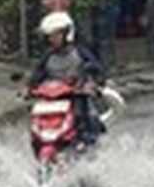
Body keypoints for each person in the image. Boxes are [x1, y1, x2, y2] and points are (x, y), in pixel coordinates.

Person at [26, 11, 107, 145]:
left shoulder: (80, 52)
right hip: (52, 100)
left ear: (67, 34)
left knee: (86, 117)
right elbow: (37, 75)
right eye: (50, 35)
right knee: (35, 119)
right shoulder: (47, 56)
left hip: (76, 96)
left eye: (56, 34)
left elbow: (97, 70)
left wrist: (93, 84)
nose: (53, 39)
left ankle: (86, 143)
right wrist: (29, 88)